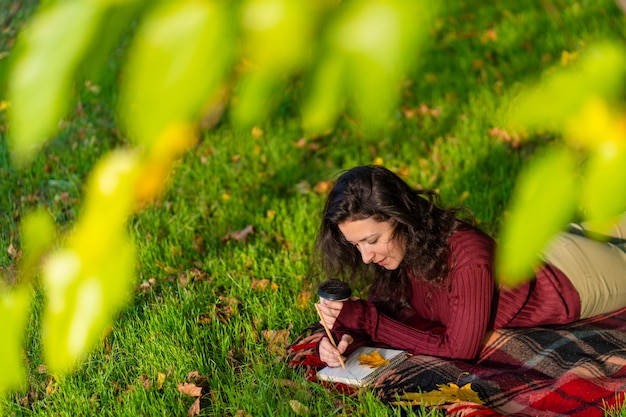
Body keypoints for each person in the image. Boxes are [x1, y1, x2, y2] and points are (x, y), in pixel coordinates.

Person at [314, 165, 626, 366]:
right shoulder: (402, 248)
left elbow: (460, 349)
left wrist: (367, 322)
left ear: (399, 218)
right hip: (544, 247)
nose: (366, 257)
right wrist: (343, 337)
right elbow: (384, 311)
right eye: (356, 245)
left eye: (371, 240)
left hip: (578, 278)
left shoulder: (467, 255)